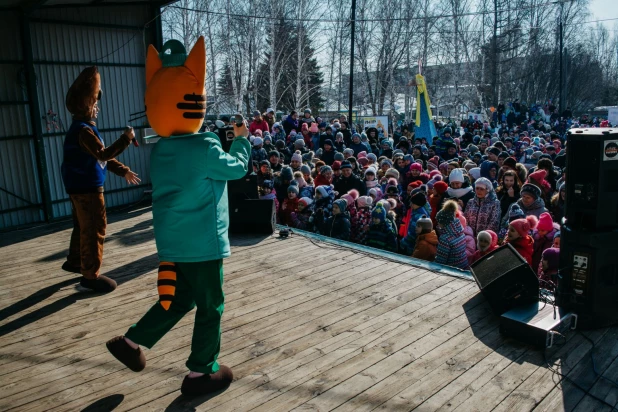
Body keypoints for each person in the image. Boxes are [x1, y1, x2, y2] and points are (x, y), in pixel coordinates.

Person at [106, 37, 248, 396]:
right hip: (203, 244)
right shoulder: (205, 146)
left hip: (171, 242)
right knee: (211, 305)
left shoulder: (161, 149)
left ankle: (133, 342)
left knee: (179, 299)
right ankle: (202, 371)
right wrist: (242, 140)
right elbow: (236, 169)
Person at [61, 66, 140, 292]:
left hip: (77, 187)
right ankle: (90, 277)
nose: (98, 108)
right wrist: (125, 139)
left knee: (82, 226)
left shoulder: (81, 129)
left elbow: (99, 158)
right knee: (95, 228)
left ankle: (76, 261)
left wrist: (123, 170)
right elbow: (104, 155)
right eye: (95, 103)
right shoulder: (84, 131)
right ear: (87, 105)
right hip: (88, 190)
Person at [434, 200, 468, 269]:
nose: (438, 224)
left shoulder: (445, 239)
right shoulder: (460, 231)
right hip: (463, 267)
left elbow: (440, 261)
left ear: (443, 223)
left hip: (451, 271)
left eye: (439, 222)